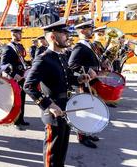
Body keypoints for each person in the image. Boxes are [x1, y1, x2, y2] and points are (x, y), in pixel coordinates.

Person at [24, 19, 90, 167]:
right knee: (52, 152)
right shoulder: (43, 59)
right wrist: (49, 105)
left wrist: (79, 78)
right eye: (64, 33)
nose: (67, 36)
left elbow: (66, 78)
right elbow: (28, 86)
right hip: (53, 111)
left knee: (62, 148)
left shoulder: (62, 56)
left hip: (66, 108)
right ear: (53, 37)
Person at [68, 20, 102, 148]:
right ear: (82, 31)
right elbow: (72, 64)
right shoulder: (79, 46)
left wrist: (101, 65)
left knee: (91, 109)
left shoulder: (88, 45)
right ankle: (82, 136)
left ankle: (88, 132)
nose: (92, 30)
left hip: (91, 83)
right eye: (89, 29)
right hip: (84, 84)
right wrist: (87, 70)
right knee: (84, 110)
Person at [0, 27, 29, 130]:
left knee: (22, 98)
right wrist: (13, 74)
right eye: (19, 33)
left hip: (22, 76)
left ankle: (21, 119)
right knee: (15, 100)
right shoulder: (8, 48)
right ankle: (16, 121)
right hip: (15, 78)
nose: (21, 35)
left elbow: (22, 60)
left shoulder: (20, 46)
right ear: (13, 34)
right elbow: (3, 65)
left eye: (21, 33)